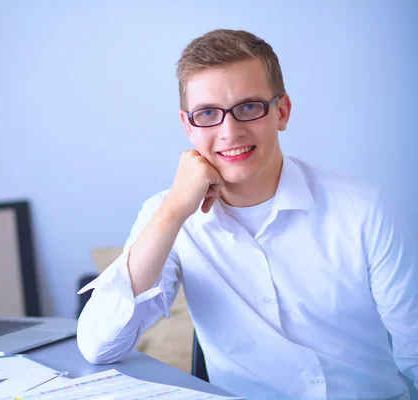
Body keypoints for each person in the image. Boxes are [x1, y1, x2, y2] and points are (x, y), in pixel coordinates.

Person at [76, 29, 418, 399]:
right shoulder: (170, 214)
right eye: (208, 113)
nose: (230, 131)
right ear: (188, 126)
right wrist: (174, 210)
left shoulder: (364, 210)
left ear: (282, 112)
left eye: (249, 107)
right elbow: (100, 346)